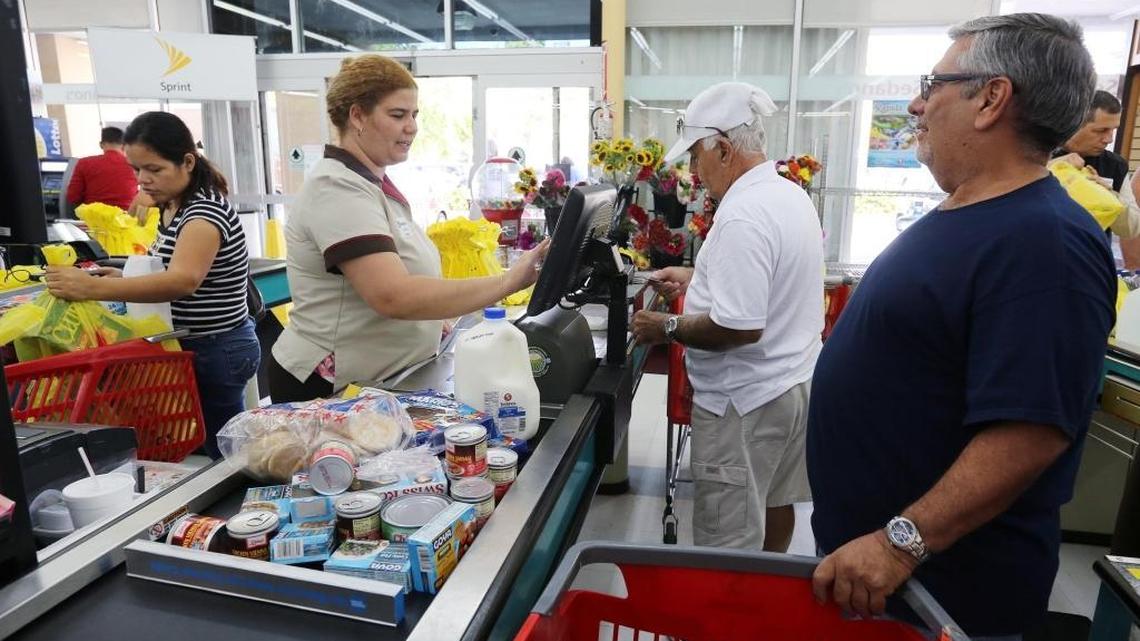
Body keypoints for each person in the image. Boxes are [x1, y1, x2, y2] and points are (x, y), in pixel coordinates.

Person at [806, 14, 1116, 638]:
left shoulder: (1043, 242)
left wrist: (899, 545)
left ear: (991, 98)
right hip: (885, 588)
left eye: (934, 83)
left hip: (944, 598)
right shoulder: (972, 213)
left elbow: (1030, 432)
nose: (918, 103)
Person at [268, 54, 548, 402]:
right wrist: (507, 281)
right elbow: (392, 295)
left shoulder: (371, 185)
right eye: (397, 115)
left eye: (414, 115)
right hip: (329, 389)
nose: (412, 127)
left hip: (384, 380)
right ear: (357, 116)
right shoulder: (336, 188)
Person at [630, 82, 824, 552]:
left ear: (722, 146)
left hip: (744, 407)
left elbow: (740, 326)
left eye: (696, 155)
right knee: (774, 505)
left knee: (728, 540)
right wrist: (697, 277)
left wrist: (666, 327)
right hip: (790, 386)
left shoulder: (743, 215)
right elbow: (763, 282)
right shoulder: (787, 195)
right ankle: (764, 605)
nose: (693, 171)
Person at [45, 112, 260, 460]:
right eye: (136, 170)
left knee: (227, 456)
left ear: (187, 162)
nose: (143, 180)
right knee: (210, 448)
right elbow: (167, 266)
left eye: (155, 169)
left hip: (216, 349)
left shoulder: (203, 212)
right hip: (195, 346)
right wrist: (124, 278)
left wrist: (91, 289)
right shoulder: (175, 205)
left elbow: (182, 280)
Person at [1050, 90, 1140, 242]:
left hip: (1090, 255)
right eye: (1101, 130)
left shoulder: (1115, 165)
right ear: (1074, 124)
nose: (1109, 139)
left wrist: (1110, 195)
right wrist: (1051, 168)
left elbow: (1132, 229)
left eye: (1113, 130)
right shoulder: (1039, 153)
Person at [66, 126, 138, 211]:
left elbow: (73, 197)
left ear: (101, 145)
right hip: (125, 219)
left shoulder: (84, 163)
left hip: (92, 219)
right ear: (124, 146)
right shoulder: (134, 164)